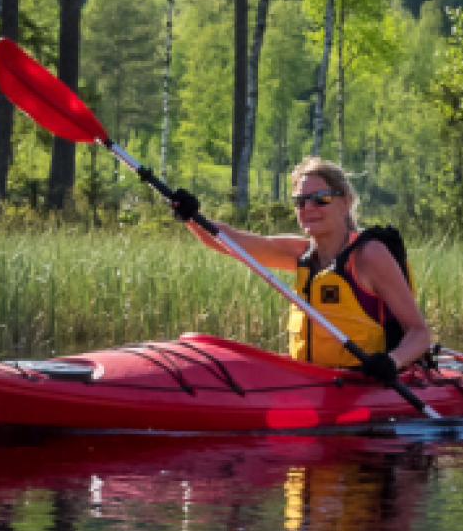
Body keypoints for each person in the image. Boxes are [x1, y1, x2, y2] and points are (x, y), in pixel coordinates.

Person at [167, 157, 431, 382]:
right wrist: (192, 217)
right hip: (310, 381)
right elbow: (230, 241)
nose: (308, 208)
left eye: (320, 199)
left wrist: (391, 362)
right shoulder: (301, 253)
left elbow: (419, 333)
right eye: (300, 201)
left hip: (361, 384)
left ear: (345, 201)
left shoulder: (368, 255)